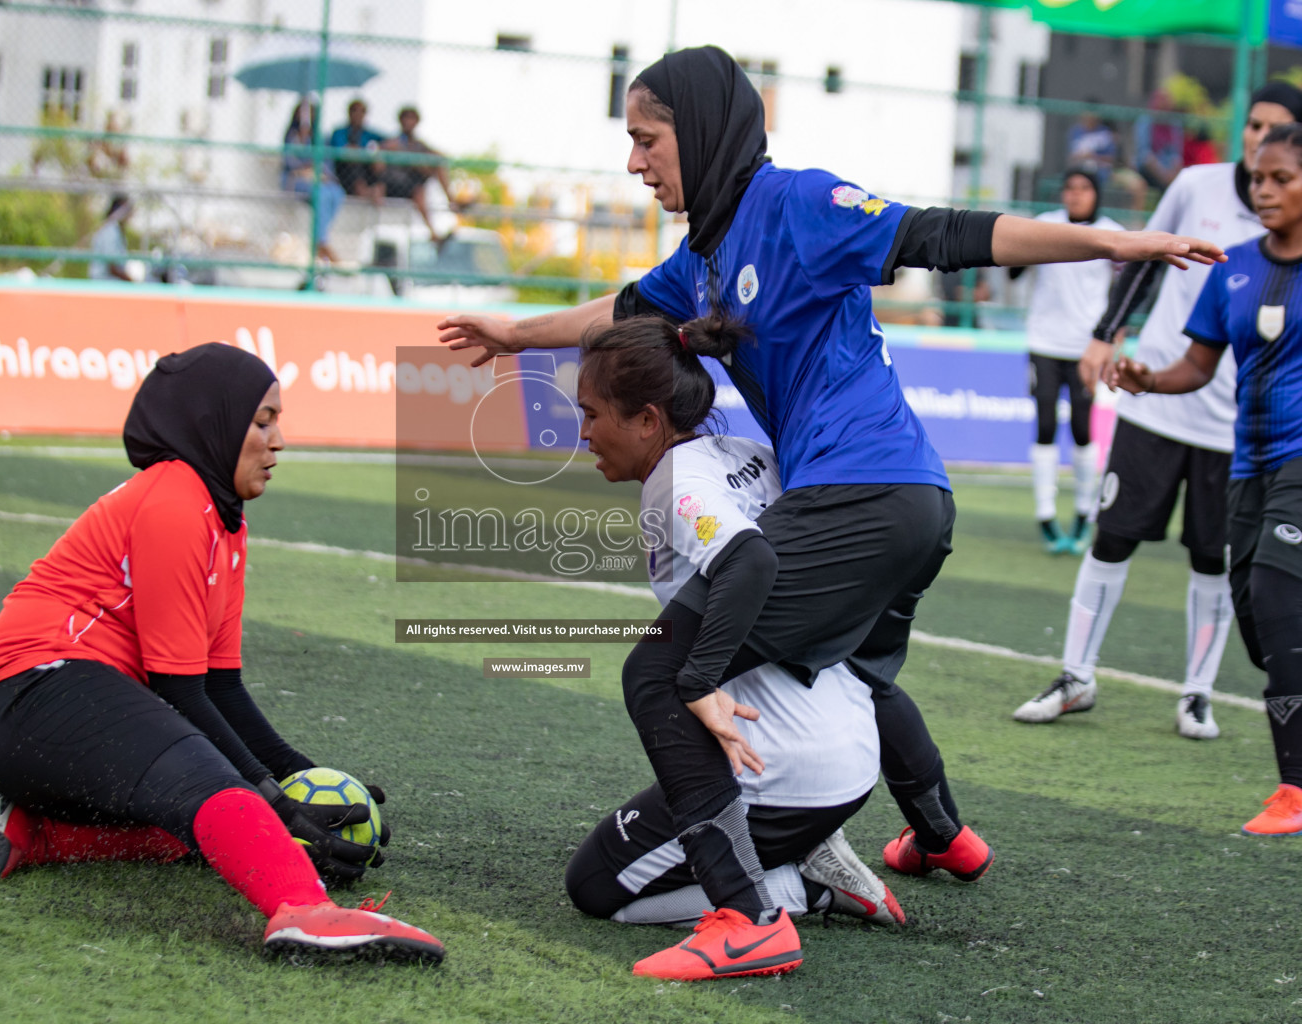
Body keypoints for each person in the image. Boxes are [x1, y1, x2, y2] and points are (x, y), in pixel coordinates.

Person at [437, 45, 1224, 981]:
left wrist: (1116, 242)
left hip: (868, 494)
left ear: (703, 130)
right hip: (905, 500)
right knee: (852, 672)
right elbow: (619, 308)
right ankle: (939, 839)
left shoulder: (798, 205)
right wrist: (515, 332)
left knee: (660, 675)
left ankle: (748, 919)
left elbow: (948, 233)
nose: (635, 162)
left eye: (646, 140)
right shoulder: (704, 258)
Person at [0, 343, 444, 963]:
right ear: (214, 419)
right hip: (33, 692)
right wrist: (277, 803)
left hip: (53, 717)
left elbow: (219, 688)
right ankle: (304, 910)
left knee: (216, 826)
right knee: (218, 786)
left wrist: (297, 779)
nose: (279, 441)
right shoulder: (175, 498)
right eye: (263, 420)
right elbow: (179, 692)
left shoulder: (225, 521)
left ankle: (35, 834)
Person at [563, 316, 904, 970]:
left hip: (780, 769)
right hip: (849, 753)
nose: (583, 433)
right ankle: (809, 856)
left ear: (647, 420)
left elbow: (749, 563)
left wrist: (693, 680)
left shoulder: (675, 484)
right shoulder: (752, 455)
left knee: (597, 884)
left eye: (591, 413)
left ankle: (790, 896)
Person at [1013, 83, 1302, 740]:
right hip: (1155, 407)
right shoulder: (1196, 186)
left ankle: (1196, 693)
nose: (1258, 139)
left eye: (1275, 130)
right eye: (1253, 124)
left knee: (1212, 559)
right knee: (1111, 538)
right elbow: (1142, 259)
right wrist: (1107, 334)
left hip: (1233, 426)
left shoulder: (1288, 220)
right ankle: (1075, 675)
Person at [1105, 121, 1302, 836]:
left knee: (1280, 589)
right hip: (1245, 463)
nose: (1265, 189)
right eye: (1258, 178)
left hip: (1300, 462)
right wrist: (1146, 380)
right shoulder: (1235, 267)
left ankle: (1295, 790)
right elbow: (1197, 365)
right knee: (1257, 619)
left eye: (1282, 177)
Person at [1009, 168, 1125, 554]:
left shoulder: (1112, 233)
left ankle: (1081, 516)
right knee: (1043, 424)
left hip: (1085, 348)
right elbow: (1012, 267)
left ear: (1097, 194)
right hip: (1043, 341)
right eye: (1069, 188)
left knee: (1081, 428)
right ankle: (1045, 517)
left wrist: (1114, 340)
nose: (1075, 195)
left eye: (1084, 188)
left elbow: (1128, 290)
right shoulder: (1046, 227)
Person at [382, 105, 456, 243]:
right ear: (400, 120)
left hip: (414, 183)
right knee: (418, 189)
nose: (409, 122)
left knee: (435, 166)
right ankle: (434, 231)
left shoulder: (418, 144)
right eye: (406, 118)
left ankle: (452, 201)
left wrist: (425, 161)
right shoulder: (394, 142)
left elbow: (440, 156)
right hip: (395, 184)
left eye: (412, 118)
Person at [282, 98, 344, 263]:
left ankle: (321, 235)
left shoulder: (320, 138)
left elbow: (326, 164)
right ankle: (321, 242)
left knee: (336, 192)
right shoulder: (292, 137)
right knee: (321, 194)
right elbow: (290, 163)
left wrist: (319, 171)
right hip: (298, 180)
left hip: (317, 178)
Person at [329, 99, 386, 202]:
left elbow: (387, 143)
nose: (358, 114)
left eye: (362, 111)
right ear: (349, 113)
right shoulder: (339, 132)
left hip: (366, 169)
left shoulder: (370, 134)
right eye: (354, 110)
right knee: (353, 165)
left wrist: (374, 153)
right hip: (345, 170)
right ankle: (365, 192)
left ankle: (374, 191)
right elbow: (344, 151)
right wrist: (366, 152)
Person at [87, 194, 134, 282]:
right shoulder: (111, 232)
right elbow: (112, 266)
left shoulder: (115, 231)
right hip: (105, 283)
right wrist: (130, 281)